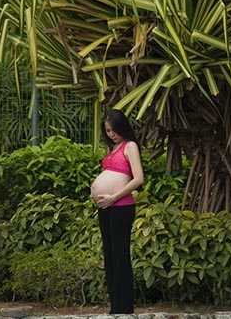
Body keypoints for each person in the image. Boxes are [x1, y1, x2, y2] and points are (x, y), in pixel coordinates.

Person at [90, 109, 144, 314]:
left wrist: (114, 197)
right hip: (105, 208)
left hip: (121, 207)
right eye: (108, 131)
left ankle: (125, 307)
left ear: (123, 127)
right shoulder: (112, 148)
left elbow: (138, 179)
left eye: (114, 130)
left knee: (120, 256)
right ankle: (115, 306)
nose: (111, 134)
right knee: (109, 256)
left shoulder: (130, 146)